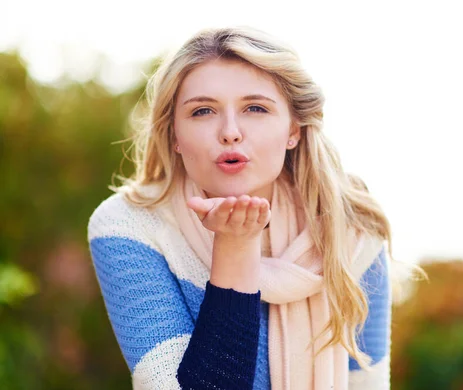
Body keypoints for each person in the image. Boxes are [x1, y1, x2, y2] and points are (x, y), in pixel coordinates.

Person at [87, 26, 393, 390]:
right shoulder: (130, 226)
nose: (230, 131)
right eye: (202, 111)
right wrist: (234, 245)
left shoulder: (351, 230)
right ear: (174, 135)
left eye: (255, 108)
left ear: (293, 129)